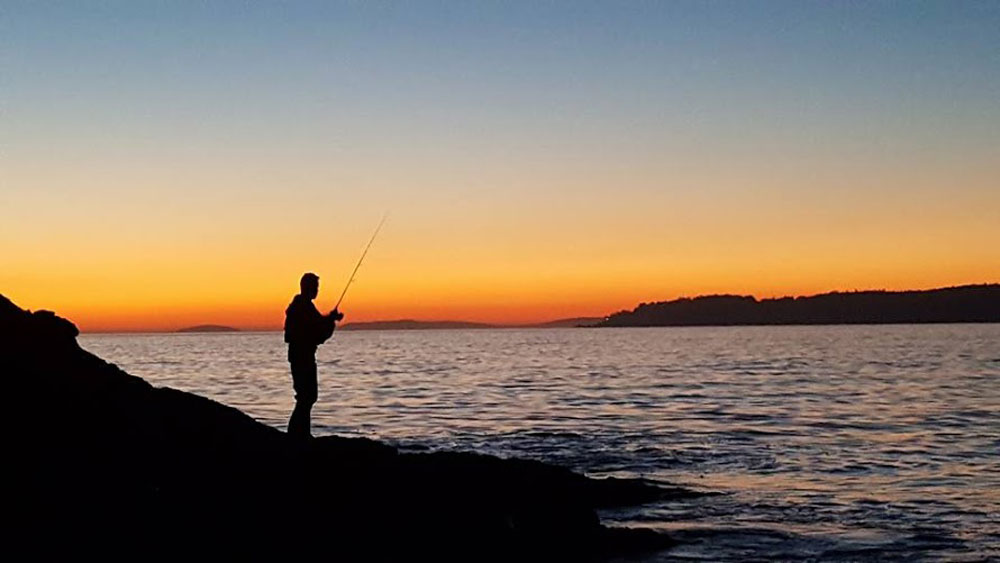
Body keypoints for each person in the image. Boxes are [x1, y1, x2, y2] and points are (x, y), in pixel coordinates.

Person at [284, 272, 344, 439]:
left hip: (302, 355)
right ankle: (297, 434)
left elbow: (316, 325)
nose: (317, 290)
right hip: (302, 356)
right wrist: (331, 320)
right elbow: (314, 328)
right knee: (307, 396)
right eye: (315, 287)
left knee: (306, 396)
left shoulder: (302, 305)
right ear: (307, 287)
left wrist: (330, 319)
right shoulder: (302, 306)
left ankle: (300, 433)